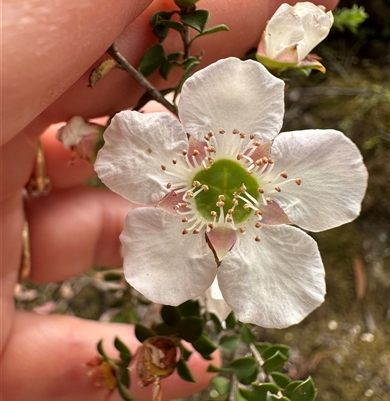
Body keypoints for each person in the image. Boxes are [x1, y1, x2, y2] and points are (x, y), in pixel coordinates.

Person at [1, 0, 338, 400]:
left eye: (234, 202)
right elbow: (133, 144)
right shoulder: (224, 101)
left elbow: (331, 176)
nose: (229, 200)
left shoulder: (238, 104)